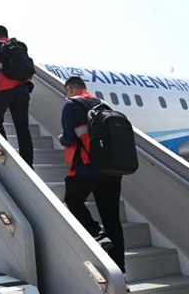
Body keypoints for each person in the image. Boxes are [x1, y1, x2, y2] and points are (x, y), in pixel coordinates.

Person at [58, 76, 127, 285]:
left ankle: (97, 232)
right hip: (112, 170)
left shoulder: (71, 105)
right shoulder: (103, 105)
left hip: (86, 168)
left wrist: (62, 138)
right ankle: (121, 274)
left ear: (70, 89)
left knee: (73, 199)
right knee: (113, 220)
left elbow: (70, 138)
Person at [0, 25, 34, 166]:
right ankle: (28, 164)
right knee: (22, 127)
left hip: (4, 88)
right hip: (23, 88)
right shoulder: (19, 46)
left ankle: (5, 156)